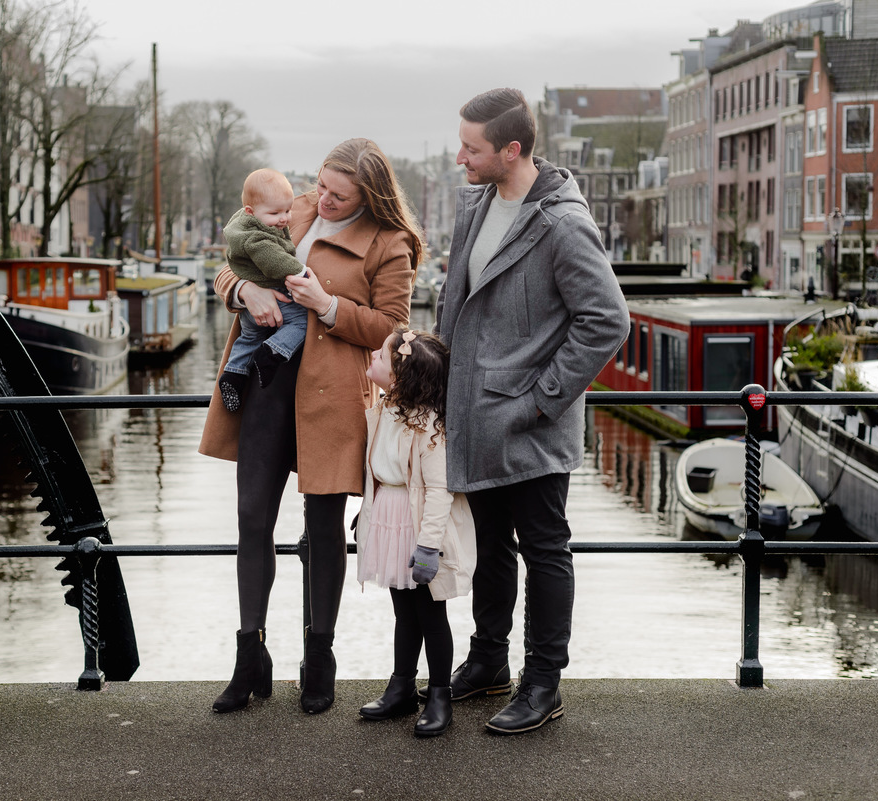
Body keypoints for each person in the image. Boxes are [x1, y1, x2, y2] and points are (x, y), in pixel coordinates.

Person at [200, 138, 423, 715]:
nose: (321, 200)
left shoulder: (389, 243)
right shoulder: (288, 209)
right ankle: (249, 654)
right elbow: (227, 265)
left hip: (331, 401)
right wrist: (244, 290)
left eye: (337, 194)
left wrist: (326, 305)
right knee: (252, 517)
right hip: (265, 389)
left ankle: (318, 654)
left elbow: (394, 331)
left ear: (367, 196)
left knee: (323, 527)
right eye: (320, 185)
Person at [435, 88, 629, 735]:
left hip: (530, 421)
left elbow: (607, 320)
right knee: (490, 542)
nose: (460, 156)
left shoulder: (561, 223)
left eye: (472, 147)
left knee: (544, 547)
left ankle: (542, 681)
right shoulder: (477, 203)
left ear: (511, 150)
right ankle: (489, 658)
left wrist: (543, 399)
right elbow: (458, 304)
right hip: (476, 414)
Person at [354, 327, 475, 738]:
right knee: (403, 612)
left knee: (430, 612)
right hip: (390, 516)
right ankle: (401, 685)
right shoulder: (384, 407)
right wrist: (366, 514)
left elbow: (440, 491)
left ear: (402, 376)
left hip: (418, 524)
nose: (373, 354)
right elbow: (380, 471)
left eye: (382, 356)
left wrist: (428, 546)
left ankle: (440, 693)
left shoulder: (429, 427)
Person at [217, 169, 310, 411]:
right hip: (275, 297)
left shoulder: (249, 222)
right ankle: (272, 352)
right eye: (276, 213)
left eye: (287, 211)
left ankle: (233, 374)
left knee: (249, 338)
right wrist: (302, 273)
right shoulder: (258, 237)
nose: (285, 219)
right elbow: (275, 260)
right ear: (250, 211)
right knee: (302, 321)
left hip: (250, 315)